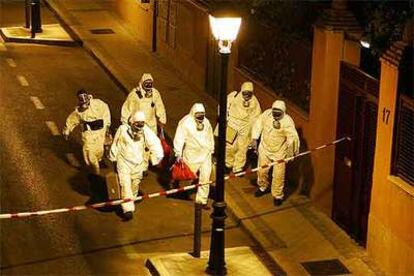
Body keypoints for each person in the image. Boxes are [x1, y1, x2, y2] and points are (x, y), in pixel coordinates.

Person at [109, 111, 163, 221]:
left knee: (134, 184)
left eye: (141, 124)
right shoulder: (122, 130)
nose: (139, 127)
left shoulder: (146, 132)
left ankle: (130, 201)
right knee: (125, 185)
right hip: (123, 162)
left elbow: (155, 144)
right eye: (137, 124)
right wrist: (113, 157)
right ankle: (128, 210)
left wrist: (155, 158)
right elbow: (116, 144)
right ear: (132, 122)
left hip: (138, 164)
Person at [250, 100, 299, 206]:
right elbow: (258, 124)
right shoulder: (267, 115)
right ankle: (262, 187)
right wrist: (254, 138)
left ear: (283, 112)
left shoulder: (287, 121)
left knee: (278, 175)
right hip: (265, 147)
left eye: (278, 114)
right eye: (274, 113)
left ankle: (278, 195)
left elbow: (292, 137)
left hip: (279, 152)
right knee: (262, 171)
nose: (276, 116)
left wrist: (290, 151)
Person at [121, 73, 166, 173]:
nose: (149, 86)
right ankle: (141, 165)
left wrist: (162, 119)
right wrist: (125, 121)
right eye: (146, 84)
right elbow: (127, 108)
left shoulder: (155, 94)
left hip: (151, 125)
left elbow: (160, 106)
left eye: (150, 84)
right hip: (138, 125)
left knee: (148, 146)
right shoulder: (134, 95)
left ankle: (147, 164)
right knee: (140, 145)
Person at [173, 103, 214, 209]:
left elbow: (210, 136)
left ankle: (201, 201)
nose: (200, 117)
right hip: (192, 154)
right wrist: (178, 152)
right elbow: (179, 137)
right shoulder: (185, 123)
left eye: (202, 114)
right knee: (187, 176)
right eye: (198, 114)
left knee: (205, 178)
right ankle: (179, 187)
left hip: (205, 155)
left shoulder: (206, 122)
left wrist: (211, 148)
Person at [63, 89, 111, 175]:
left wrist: (107, 125)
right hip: (88, 134)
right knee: (89, 153)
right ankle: (95, 173)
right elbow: (72, 120)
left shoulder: (98, 104)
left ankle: (98, 162)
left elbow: (106, 112)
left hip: (100, 132)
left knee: (99, 151)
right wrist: (67, 131)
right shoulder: (79, 111)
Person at [223, 81, 261, 173]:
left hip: (245, 126)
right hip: (232, 123)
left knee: (242, 147)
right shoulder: (234, 96)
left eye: (249, 93)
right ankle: (228, 163)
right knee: (229, 146)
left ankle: (238, 167)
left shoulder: (255, 102)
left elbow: (257, 118)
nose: (247, 95)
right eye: (245, 93)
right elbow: (224, 105)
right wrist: (225, 118)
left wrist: (253, 134)